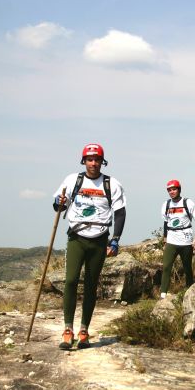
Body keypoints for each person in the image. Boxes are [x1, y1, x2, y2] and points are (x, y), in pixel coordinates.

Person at [52, 143, 126, 350]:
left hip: (100, 238)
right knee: (71, 281)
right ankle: (68, 330)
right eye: (89, 159)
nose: (93, 163)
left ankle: (84, 331)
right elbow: (58, 206)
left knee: (92, 285)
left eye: (97, 159)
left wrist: (115, 239)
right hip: (77, 237)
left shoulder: (112, 184)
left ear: (102, 162)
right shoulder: (72, 180)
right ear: (83, 161)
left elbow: (120, 213)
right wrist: (60, 201)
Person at [160, 179, 195, 299]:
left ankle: (189, 293)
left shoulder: (187, 202)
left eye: (174, 189)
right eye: (169, 190)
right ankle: (163, 295)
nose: (172, 192)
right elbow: (165, 222)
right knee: (166, 266)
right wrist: (165, 239)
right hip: (172, 240)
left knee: (187, 267)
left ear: (179, 189)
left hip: (186, 240)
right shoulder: (166, 205)